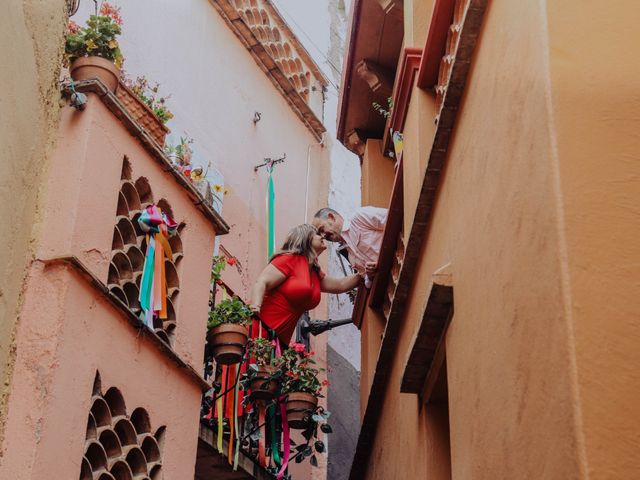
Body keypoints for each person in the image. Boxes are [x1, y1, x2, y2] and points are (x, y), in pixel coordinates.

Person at [250, 224, 361, 344]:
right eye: (318, 234)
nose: (323, 236)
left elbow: (341, 285)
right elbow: (262, 282)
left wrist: (366, 272)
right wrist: (256, 306)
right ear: (306, 238)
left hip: (279, 339)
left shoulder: (314, 272)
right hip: (260, 326)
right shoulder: (289, 259)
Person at [311, 207, 387, 283]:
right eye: (319, 234)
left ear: (331, 217)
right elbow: (367, 283)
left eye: (322, 229)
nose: (323, 236)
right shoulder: (350, 256)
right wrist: (369, 276)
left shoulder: (359, 218)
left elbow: (395, 218)